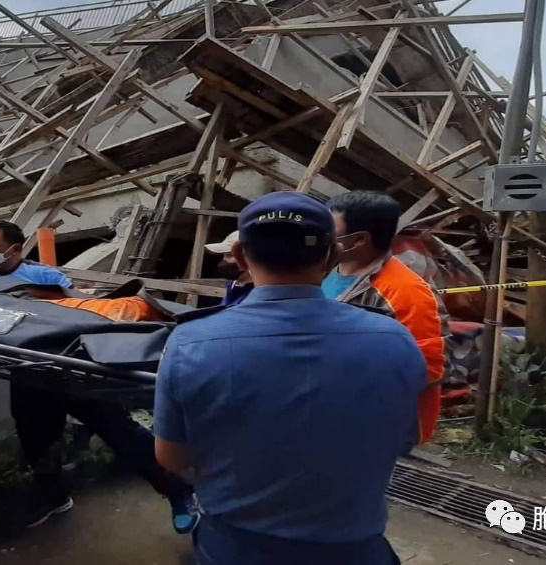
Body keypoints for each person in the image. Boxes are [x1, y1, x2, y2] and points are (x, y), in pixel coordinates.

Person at [154, 192, 425, 564]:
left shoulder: (190, 342)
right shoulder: (395, 339)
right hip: (355, 547)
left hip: (235, 547)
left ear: (239, 256)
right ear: (331, 256)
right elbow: (403, 439)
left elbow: (170, 458)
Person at [0, 222, 199, 534]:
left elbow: (83, 310)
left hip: (70, 367)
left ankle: (179, 492)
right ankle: (54, 498)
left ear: (15, 249)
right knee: (35, 443)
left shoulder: (43, 276)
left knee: (120, 433)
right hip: (25, 369)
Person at [325, 191, 448, 445]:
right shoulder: (321, 270)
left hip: (375, 422)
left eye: (329, 231)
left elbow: (425, 369)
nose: (320, 237)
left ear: (359, 239)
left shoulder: (407, 293)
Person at [204, 230, 252, 306]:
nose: (224, 260)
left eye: (229, 255)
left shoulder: (254, 297)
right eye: (224, 255)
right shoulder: (232, 288)